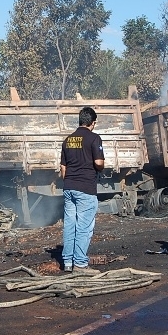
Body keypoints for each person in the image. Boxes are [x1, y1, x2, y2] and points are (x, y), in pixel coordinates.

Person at [60, 106, 105, 274]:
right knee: (84, 227)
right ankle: (80, 264)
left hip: (68, 187)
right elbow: (99, 163)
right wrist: (99, 167)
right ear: (93, 123)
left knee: (70, 225)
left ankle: (68, 262)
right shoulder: (94, 138)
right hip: (86, 188)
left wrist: (71, 182)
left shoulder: (67, 140)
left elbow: (63, 168)